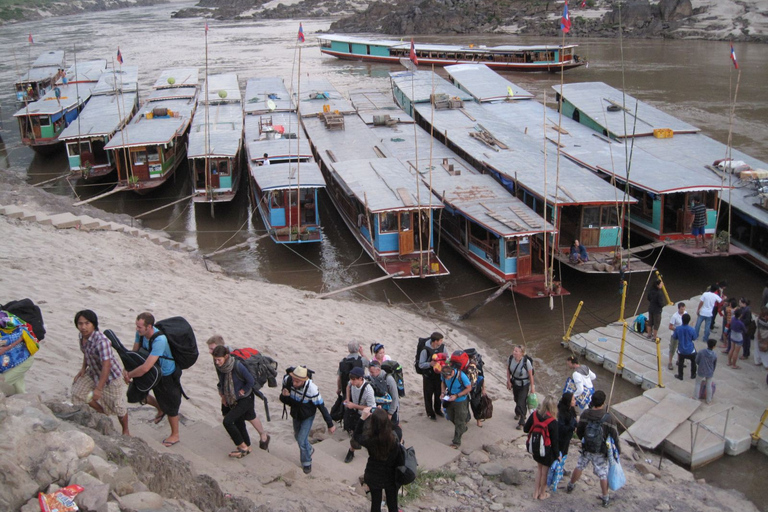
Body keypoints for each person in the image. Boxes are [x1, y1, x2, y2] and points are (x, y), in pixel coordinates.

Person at [123, 312, 182, 447]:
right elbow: (135, 352)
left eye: (140, 327)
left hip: (166, 373)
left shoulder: (160, 340)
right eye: (136, 326)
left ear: (149, 327)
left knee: (171, 404)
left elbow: (145, 367)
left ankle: (175, 435)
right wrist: (127, 368)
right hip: (152, 370)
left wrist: (130, 375)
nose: (137, 330)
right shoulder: (140, 333)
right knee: (134, 395)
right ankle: (160, 407)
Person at [72, 310, 130, 436]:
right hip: (93, 371)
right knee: (77, 392)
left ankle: (125, 430)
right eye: (80, 324)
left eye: (87, 323)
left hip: (110, 377)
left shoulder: (101, 342)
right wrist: (83, 368)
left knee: (118, 406)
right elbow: (86, 353)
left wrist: (98, 389)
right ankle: (102, 413)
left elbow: (106, 365)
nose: (83, 327)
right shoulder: (82, 336)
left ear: (94, 324)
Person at [212, 346, 270, 458]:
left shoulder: (238, 366)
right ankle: (247, 446)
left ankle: (243, 446)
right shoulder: (221, 367)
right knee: (239, 423)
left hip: (245, 399)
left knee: (228, 421)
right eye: (215, 359)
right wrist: (223, 396)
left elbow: (250, 381)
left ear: (226, 356)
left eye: (219, 359)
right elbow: (222, 382)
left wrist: (243, 390)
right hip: (232, 399)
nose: (217, 362)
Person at [566, 390, 620, 508]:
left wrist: (584, 440)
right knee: (603, 474)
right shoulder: (608, 417)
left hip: (587, 447)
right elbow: (615, 435)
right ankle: (605, 498)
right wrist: (618, 451)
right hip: (600, 450)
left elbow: (580, 430)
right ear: (603, 402)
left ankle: (570, 485)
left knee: (580, 466)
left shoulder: (585, 414)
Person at [279, 365, 336, 474]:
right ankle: (309, 449)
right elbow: (283, 399)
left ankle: (306, 463)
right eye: (294, 380)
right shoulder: (287, 380)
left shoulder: (312, 388)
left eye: (297, 382)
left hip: (308, 415)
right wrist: (284, 395)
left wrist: (330, 424)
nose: (294, 383)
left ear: (304, 380)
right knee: (297, 436)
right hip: (296, 413)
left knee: (301, 439)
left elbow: (321, 406)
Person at [356, 407, 401, 512]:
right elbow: (397, 428)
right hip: (391, 475)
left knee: (375, 504)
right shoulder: (394, 439)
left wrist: (362, 418)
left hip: (373, 474)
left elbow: (356, 436)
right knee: (393, 504)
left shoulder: (369, 439)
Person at [524, 395, 559, 501]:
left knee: (539, 470)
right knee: (545, 472)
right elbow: (555, 441)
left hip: (535, 447)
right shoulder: (553, 422)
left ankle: (535, 493)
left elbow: (526, 429)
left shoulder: (534, 414)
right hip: (546, 451)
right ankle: (542, 494)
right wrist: (557, 455)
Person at [343, 366, 375, 463]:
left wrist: (354, 406)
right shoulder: (351, 383)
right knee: (355, 433)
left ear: (361, 378)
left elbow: (371, 408)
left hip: (365, 416)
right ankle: (352, 450)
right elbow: (347, 386)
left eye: (354, 380)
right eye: (351, 379)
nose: (352, 382)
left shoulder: (368, 391)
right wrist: (348, 399)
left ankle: (352, 451)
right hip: (355, 413)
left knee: (362, 435)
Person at [0, 311, 36, 396]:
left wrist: (6, 348)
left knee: (3, 385)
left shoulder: (4, 319)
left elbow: (23, 332)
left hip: (23, 358)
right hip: (7, 362)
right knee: (19, 392)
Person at [440, 362, 472, 449]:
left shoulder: (461, 376)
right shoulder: (444, 375)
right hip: (450, 398)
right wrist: (443, 393)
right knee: (450, 416)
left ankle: (456, 442)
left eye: (448, 377)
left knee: (459, 420)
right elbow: (443, 382)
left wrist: (457, 396)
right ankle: (462, 428)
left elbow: (469, 388)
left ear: (452, 373)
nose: (447, 379)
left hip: (460, 400)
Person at [418, 332, 446, 421]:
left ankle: (438, 410)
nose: (442, 342)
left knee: (438, 393)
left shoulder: (443, 347)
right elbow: (421, 364)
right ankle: (430, 413)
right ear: (435, 341)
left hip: (439, 376)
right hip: (428, 376)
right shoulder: (425, 350)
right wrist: (430, 364)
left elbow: (447, 357)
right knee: (428, 394)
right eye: (440, 340)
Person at [368, 360, 401, 436]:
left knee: (392, 432)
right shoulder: (372, 378)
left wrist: (390, 413)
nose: (371, 374)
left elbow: (395, 398)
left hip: (390, 409)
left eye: (372, 372)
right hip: (379, 408)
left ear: (378, 370)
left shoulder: (389, 379)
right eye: (370, 372)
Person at [507, 345, 534, 430]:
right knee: (516, 399)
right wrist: (508, 381)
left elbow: (531, 375)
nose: (514, 352)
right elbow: (508, 370)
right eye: (514, 350)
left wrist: (532, 387)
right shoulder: (510, 359)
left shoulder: (526, 362)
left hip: (524, 384)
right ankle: (518, 412)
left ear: (521, 353)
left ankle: (522, 421)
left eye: (516, 351)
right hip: (515, 382)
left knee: (521, 402)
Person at [673, 313, 698, 380]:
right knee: (693, 361)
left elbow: (674, 337)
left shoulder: (678, 329)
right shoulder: (691, 329)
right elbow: (694, 338)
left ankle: (680, 376)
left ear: (682, 320)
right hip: (690, 349)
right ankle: (693, 374)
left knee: (680, 362)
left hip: (681, 350)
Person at [465, 351, 486, 427]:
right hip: (466, 388)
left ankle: (478, 420)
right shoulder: (464, 365)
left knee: (476, 405)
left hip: (476, 389)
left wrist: (483, 389)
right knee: (465, 405)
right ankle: (466, 419)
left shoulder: (478, 366)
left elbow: (482, 378)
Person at [695, 339, 718, 404]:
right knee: (709, 385)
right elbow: (714, 364)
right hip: (709, 371)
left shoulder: (701, 352)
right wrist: (712, 370)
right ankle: (708, 400)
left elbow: (697, 360)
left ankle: (696, 397)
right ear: (714, 346)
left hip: (701, 370)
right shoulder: (714, 355)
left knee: (697, 383)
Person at [557, 392, 578, 458]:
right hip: (560, 437)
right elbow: (561, 427)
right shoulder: (561, 412)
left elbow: (573, 420)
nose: (575, 401)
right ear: (568, 401)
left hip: (567, 436)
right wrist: (572, 428)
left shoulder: (571, 409)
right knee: (560, 453)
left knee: (564, 453)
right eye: (573, 400)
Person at [667, 302, 686, 370]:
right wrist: (678, 329)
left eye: (683, 309)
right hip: (675, 335)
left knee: (680, 349)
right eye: (681, 309)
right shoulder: (674, 316)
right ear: (678, 308)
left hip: (682, 335)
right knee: (672, 349)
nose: (683, 311)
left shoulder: (685, 314)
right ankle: (670, 362)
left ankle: (679, 361)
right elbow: (670, 326)